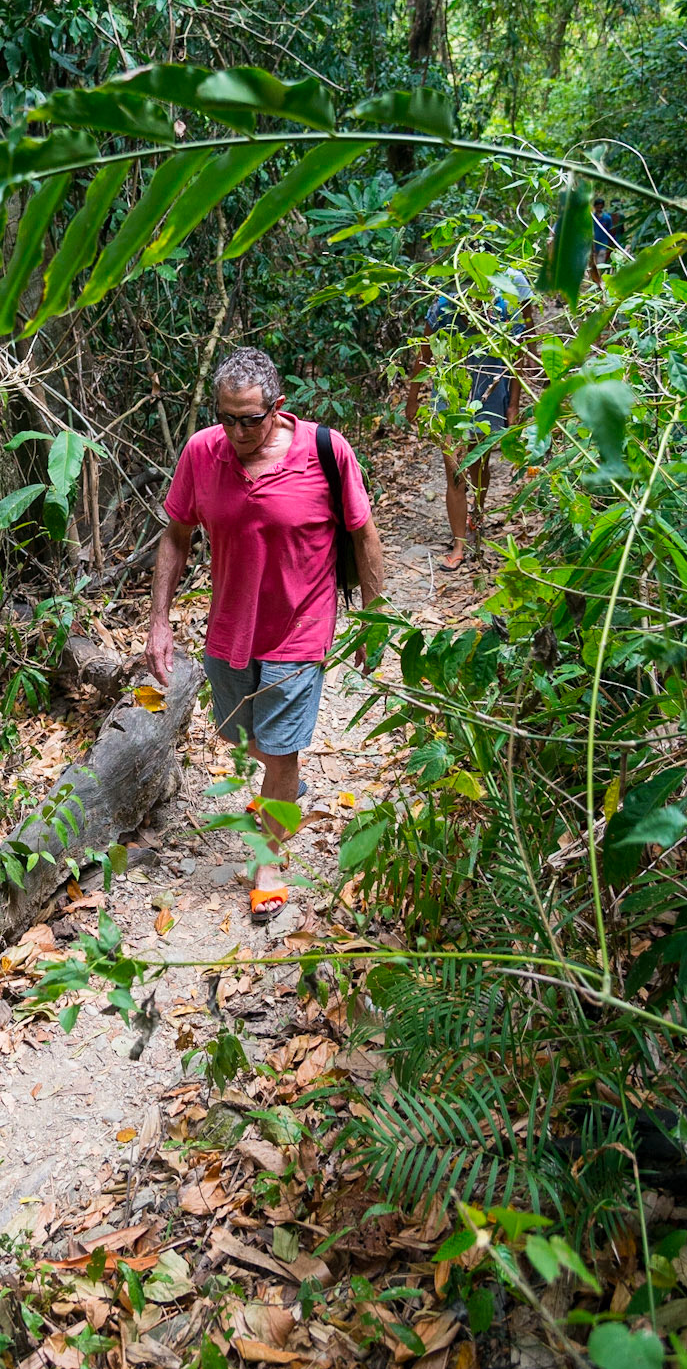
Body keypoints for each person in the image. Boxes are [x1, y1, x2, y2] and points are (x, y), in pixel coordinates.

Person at [144, 347, 386, 920]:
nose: (236, 430)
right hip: (230, 629)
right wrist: (158, 621)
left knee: (280, 751)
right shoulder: (204, 452)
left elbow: (364, 533)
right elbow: (176, 535)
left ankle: (270, 861)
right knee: (247, 740)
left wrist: (375, 618)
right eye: (226, 417)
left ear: (277, 408)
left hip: (301, 630)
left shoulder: (325, 452)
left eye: (249, 419)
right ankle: (284, 786)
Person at [404, 269, 534, 570]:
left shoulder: (504, 310)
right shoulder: (442, 308)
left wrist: (513, 405)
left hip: (490, 394)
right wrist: (413, 398)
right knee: (455, 471)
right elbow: (424, 355)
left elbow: (516, 358)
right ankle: (459, 543)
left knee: (480, 465)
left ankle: (478, 515)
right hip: (451, 399)